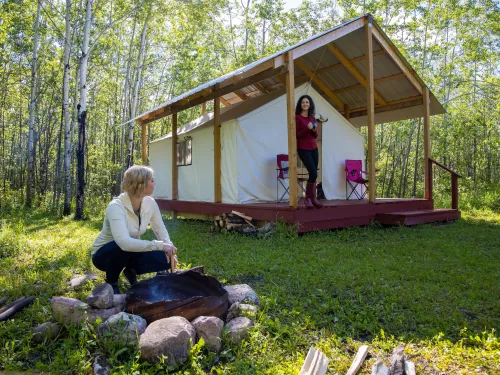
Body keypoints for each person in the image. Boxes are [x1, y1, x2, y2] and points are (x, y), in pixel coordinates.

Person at [91, 165, 177, 294]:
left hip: (129, 251)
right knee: (121, 247)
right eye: (152, 180)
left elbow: (159, 228)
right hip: (104, 255)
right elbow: (124, 242)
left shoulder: (150, 203)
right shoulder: (116, 206)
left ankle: (131, 271)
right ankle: (112, 281)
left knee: (163, 259)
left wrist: (168, 247)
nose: (154, 183)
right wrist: (159, 245)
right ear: (141, 184)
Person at [295, 95, 323, 208]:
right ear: (300, 104)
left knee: (314, 174)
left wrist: (313, 129)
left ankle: (313, 198)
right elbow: (296, 134)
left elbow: (315, 135)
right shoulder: (297, 117)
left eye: (307, 102)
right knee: (313, 172)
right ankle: (307, 198)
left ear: (310, 104)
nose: (305, 104)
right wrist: (306, 128)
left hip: (313, 147)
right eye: (303, 102)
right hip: (303, 148)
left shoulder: (312, 118)